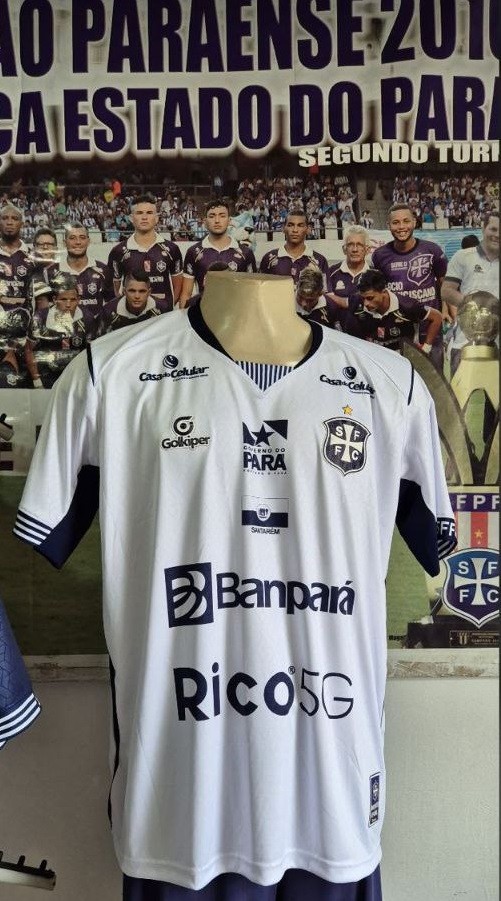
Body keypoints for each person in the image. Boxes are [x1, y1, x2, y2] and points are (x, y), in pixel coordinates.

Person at [15, 269, 456, 901]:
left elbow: (430, 535)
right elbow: (48, 527)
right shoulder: (108, 372)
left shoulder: (390, 384)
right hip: (180, 812)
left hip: (332, 798)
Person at [371, 204, 448, 368]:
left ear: (414, 222)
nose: (401, 227)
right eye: (396, 222)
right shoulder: (379, 255)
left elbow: (445, 284)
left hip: (430, 329)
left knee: (433, 380)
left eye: (406, 221)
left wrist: (447, 311)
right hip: (397, 332)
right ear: (388, 225)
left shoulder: (432, 250)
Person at [441, 212, 499, 377]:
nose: (497, 235)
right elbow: (446, 291)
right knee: (461, 394)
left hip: (497, 344)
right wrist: (477, 306)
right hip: (464, 343)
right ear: (483, 228)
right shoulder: (463, 256)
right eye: (493, 229)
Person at [107, 194, 183, 312]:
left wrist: (166, 308)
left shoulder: (171, 249)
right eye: (139, 213)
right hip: (131, 317)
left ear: (156, 218)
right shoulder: (118, 251)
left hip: (163, 316)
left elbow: (178, 286)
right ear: (131, 218)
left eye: (149, 213)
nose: (144, 217)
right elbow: (114, 289)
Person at [178, 199, 257, 307]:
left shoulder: (246, 253)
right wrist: (183, 317)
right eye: (212, 216)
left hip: (235, 314)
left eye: (222, 216)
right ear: (205, 221)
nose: (217, 220)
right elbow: (186, 294)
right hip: (203, 314)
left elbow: (252, 293)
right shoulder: (193, 252)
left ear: (229, 220)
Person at [347, 268, 443, 354]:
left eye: (370, 298)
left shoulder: (408, 306)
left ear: (383, 292)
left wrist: (426, 347)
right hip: (374, 357)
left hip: (403, 357)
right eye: (363, 298)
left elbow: (437, 317)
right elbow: (342, 302)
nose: (366, 303)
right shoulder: (356, 302)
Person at [25, 273, 92, 388]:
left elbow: (92, 353)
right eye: (63, 299)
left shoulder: (87, 318)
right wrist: (37, 382)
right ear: (55, 299)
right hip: (46, 375)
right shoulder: (40, 318)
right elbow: (29, 350)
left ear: (78, 300)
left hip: (76, 376)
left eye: (73, 300)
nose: (68, 304)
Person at [0, 204, 31, 382]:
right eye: (5, 218)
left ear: (22, 224)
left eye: (14, 218)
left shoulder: (32, 257)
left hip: (24, 337)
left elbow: (41, 301)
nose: (10, 222)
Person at [259, 209, 329, 286]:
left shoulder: (320, 261)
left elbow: (325, 291)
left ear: (308, 229)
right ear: (283, 228)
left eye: (300, 225)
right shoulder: (268, 259)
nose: (295, 230)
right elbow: (261, 290)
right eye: (290, 225)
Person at [59, 222, 114, 316]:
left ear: (88, 241)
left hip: (95, 325)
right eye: (72, 238)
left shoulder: (103, 270)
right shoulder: (54, 272)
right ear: (64, 243)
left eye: (82, 237)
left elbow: (111, 304)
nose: (78, 242)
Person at [95, 271, 163, 336]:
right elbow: (96, 341)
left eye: (142, 291)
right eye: (132, 291)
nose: (137, 296)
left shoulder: (162, 308)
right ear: (124, 291)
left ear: (149, 292)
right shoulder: (108, 312)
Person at [327, 226, 371, 308]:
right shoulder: (330, 272)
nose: (355, 249)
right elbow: (328, 302)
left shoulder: (376, 274)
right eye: (350, 245)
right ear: (344, 249)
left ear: (367, 249)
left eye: (359, 245)